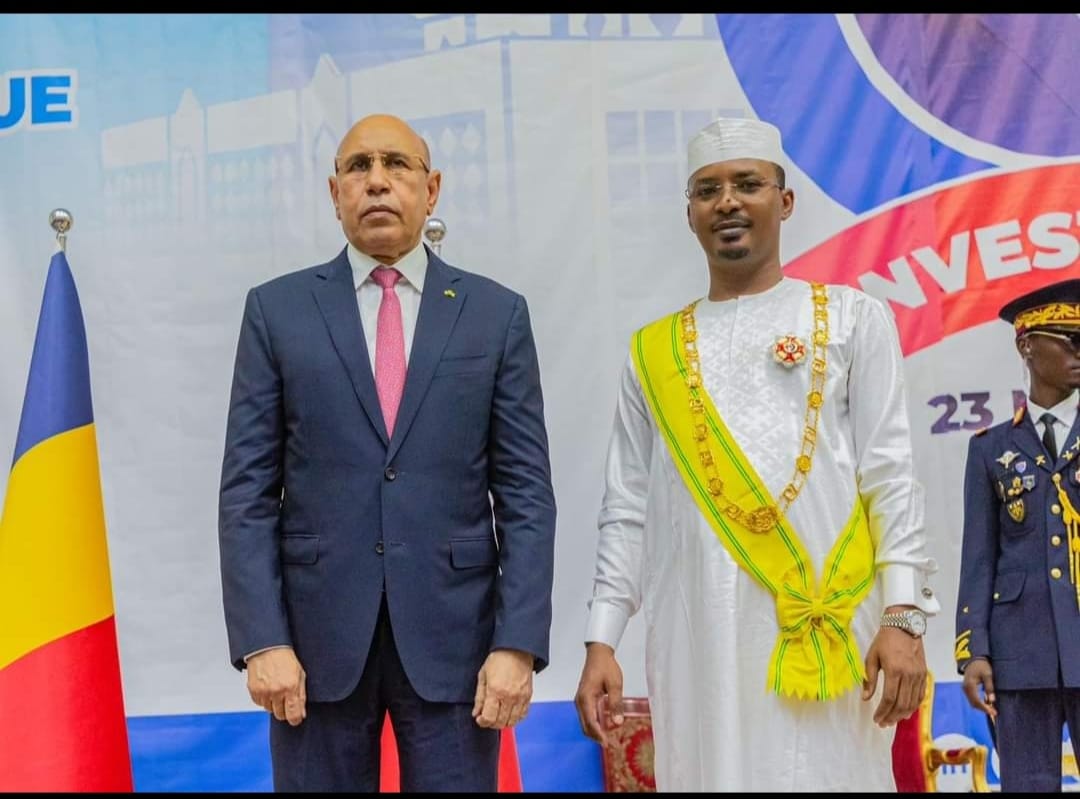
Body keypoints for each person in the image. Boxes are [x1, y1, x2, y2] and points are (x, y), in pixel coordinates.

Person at [573, 116, 940, 791]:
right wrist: (603, 636)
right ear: (689, 213)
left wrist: (903, 616)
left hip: (824, 631)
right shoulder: (651, 352)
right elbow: (627, 507)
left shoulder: (852, 319)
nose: (728, 202)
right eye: (707, 190)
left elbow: (891, 478)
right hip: (694, 633)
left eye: (747, 184)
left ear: (786, 200)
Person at [218, 114, 557, 792]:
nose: (377, 181)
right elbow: (246, 494)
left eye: (397, 165)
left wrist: (516, 643)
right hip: (313, 650)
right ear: (334, 192)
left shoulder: (495, 314)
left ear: (432, 189)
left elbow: (526, 495)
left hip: (457, 647)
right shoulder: (277, 311)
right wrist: (263, 639)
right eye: (359, 166)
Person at [956, 278, 1080, 793]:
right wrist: (974, 651)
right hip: (1020, 655)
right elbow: (979, 558)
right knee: (1027, 786)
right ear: (1026, 345)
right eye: (1070, 340)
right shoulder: (991, 448)